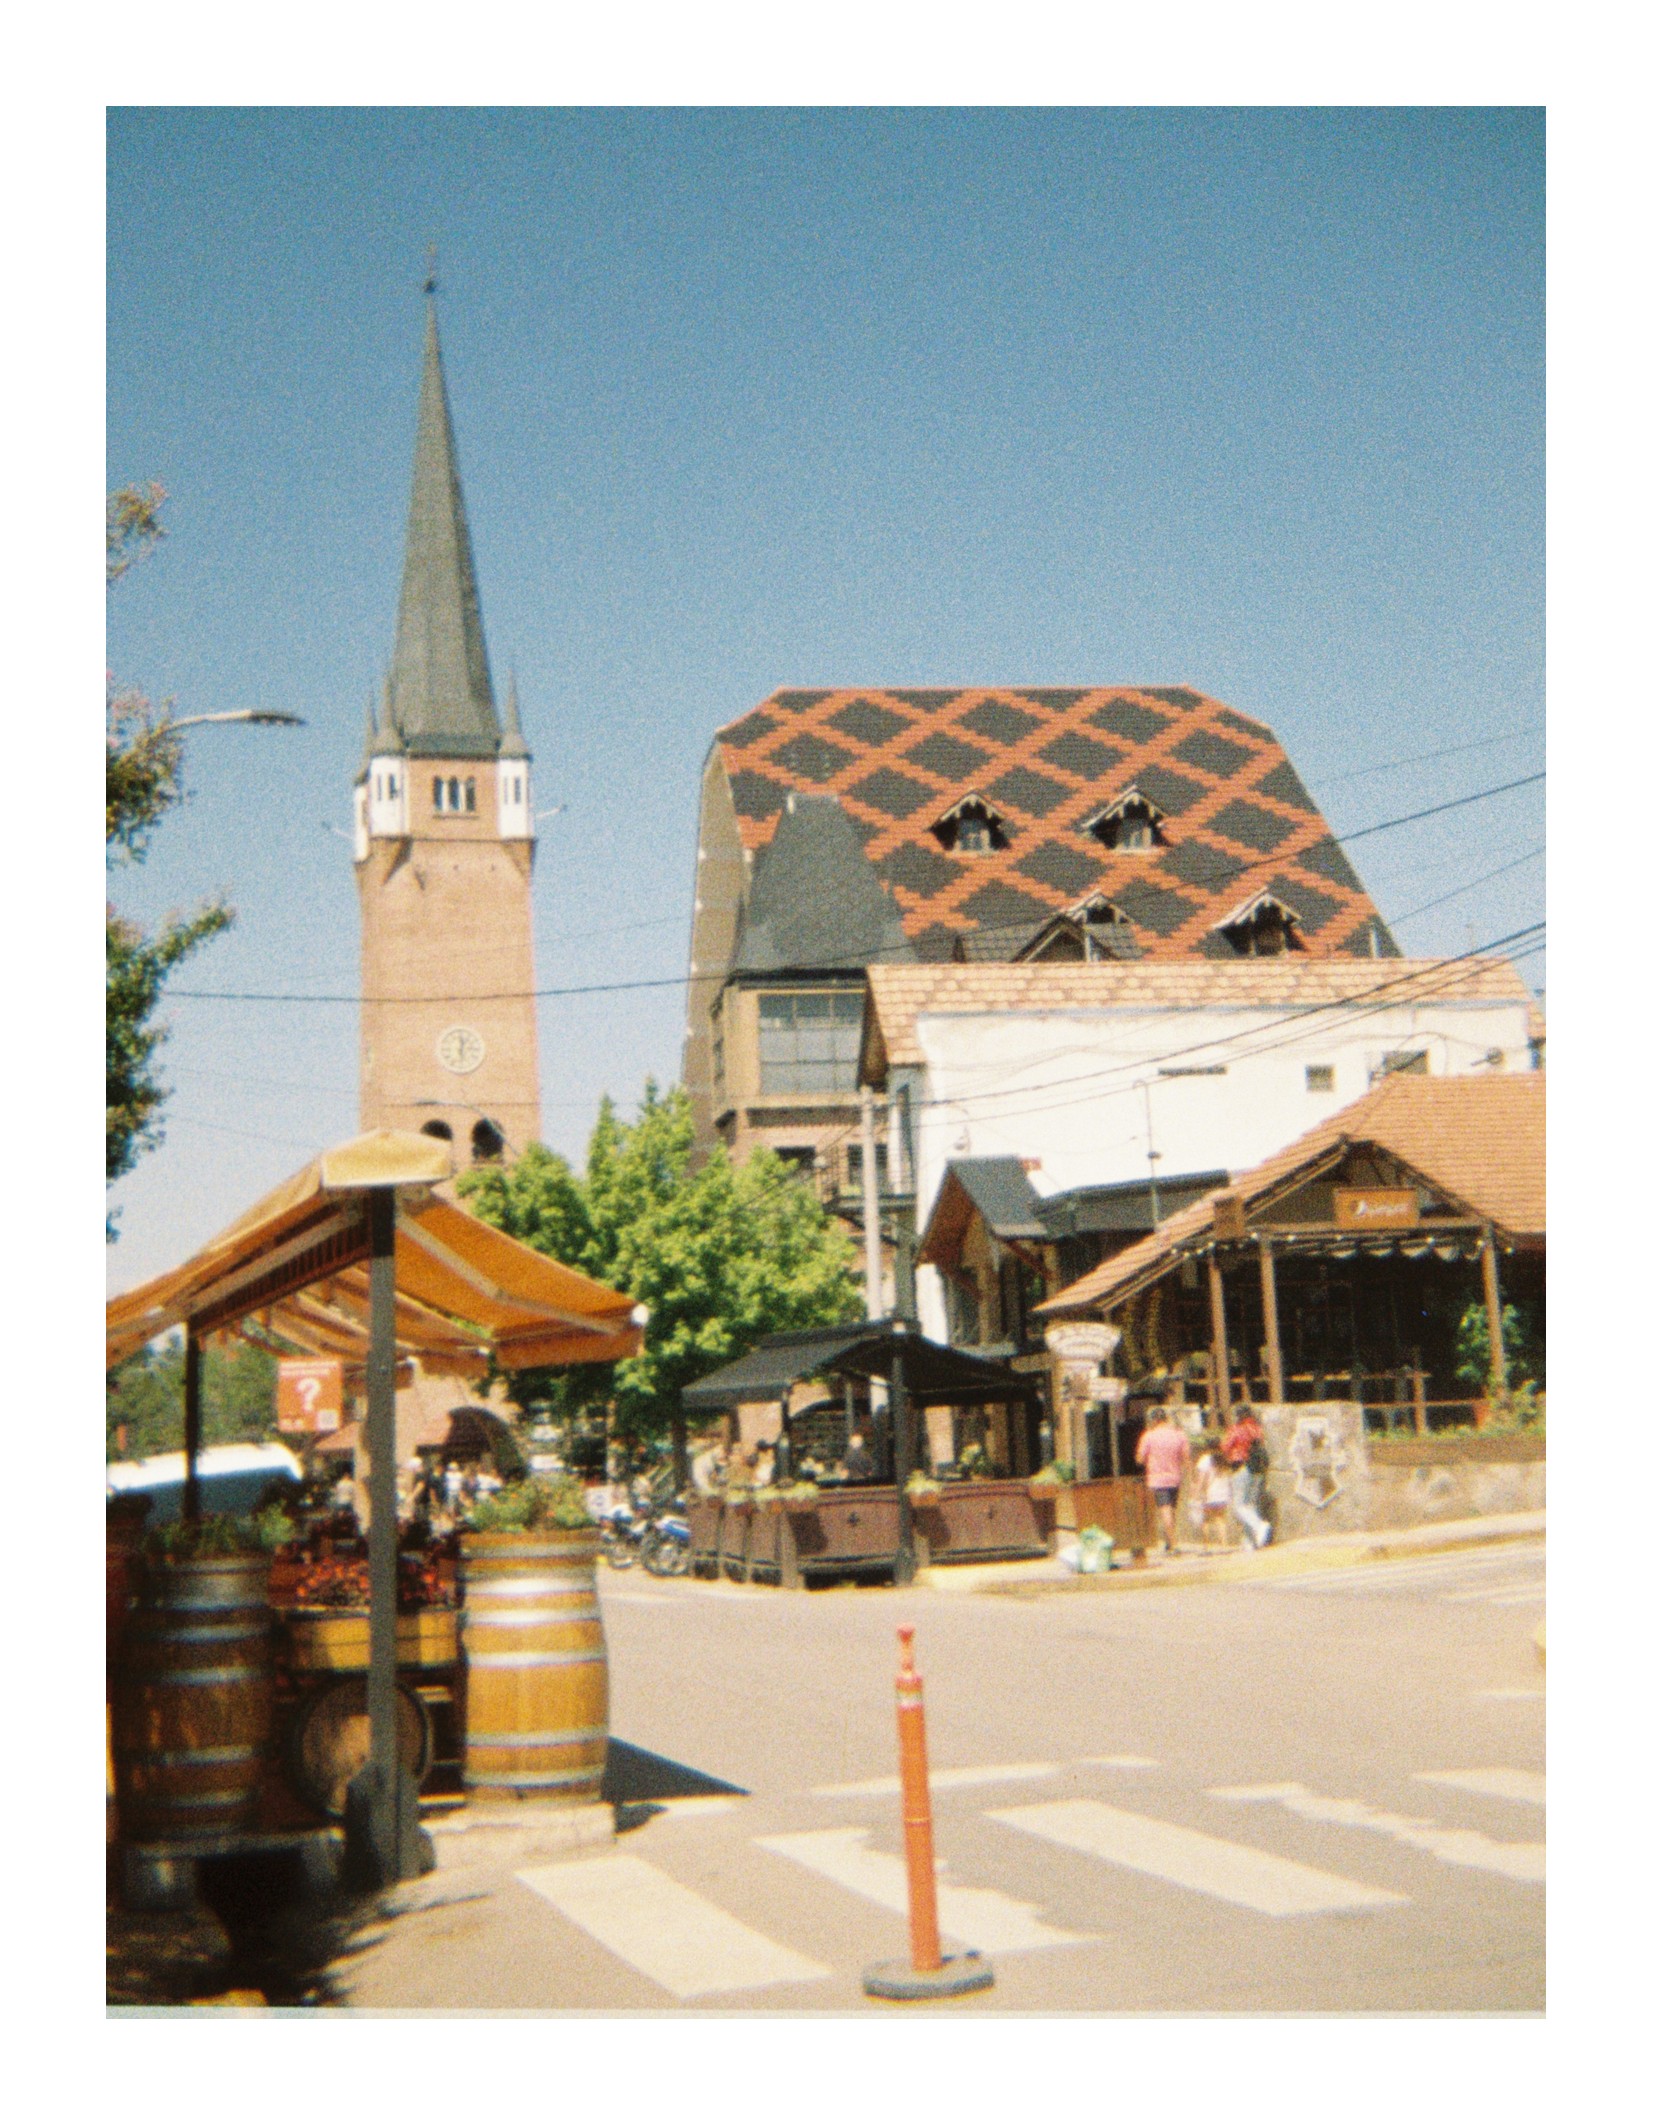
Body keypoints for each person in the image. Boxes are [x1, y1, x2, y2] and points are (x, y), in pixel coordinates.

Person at [1135, 1405, 1190, 1553]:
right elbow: (1186, 1457)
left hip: (1158, 1478)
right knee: (1172, 1510)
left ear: (1153, 1420)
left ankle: (1174, 1544)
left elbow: (1140, 1459)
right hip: (1175, 1477)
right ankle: (1169, 1540)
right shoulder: (1179, 1434)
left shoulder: (1148, 1436)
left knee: (1165, 1511)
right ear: (1166, 1419)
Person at [1221, 1403, 1273, 1549]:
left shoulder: (1237, 1429)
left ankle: (1259, 1526)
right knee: (1251, 1505)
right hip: (1258, 1469)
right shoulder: (1257, 1429)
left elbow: (1225, 1446)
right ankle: (1251, 1541)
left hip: (1241, 1468)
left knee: (1239, 1506)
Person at [1192, 1437, 1231, 1549]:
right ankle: (1224, 1544)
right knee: (1220, 1519)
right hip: (1223, 1493)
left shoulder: (1205, 1460)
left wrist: (1196, 1493)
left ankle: (1206, 1545)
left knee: (1206, 1520)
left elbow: (1202, 1478)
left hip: (1210, 1494)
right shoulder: (1223, 1459)